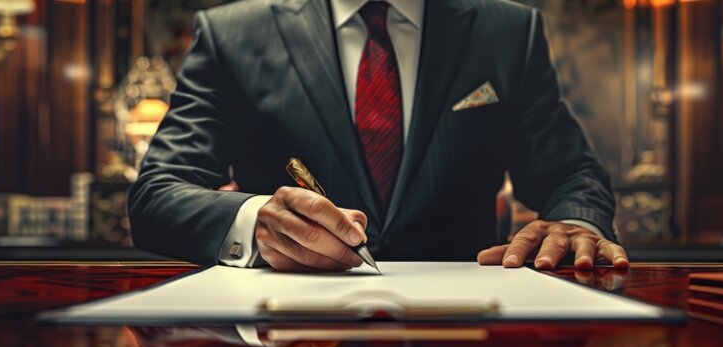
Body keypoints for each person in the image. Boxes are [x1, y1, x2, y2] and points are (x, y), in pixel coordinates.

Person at [128, 0, 628, 272]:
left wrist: (572, 222)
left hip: (461, 335)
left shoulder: (509, 32)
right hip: (282, 332)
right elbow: (155, 194)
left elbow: (572, 174)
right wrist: (255, 220)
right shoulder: (231, 35)